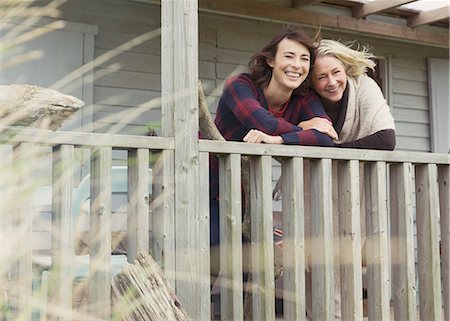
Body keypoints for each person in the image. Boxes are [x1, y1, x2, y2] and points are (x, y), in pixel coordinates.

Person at [208, 28, 338, 288]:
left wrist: (279, 139)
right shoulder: (241, 86)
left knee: (243, 272)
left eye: (304, 59)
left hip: (246, 197)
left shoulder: (304, 99)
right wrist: (304, 129)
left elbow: (326, 138)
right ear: (270, 60)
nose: (296, 65)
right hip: (205, 186)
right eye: (289, 56)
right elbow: (261, 121)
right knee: (207, 264)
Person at [305, 39, 396, 150]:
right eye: (322, 77)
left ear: (345, 69)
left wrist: (332, 152)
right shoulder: (304, 99)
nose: (332, 82)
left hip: (359, 167)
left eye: (336, 72)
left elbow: (386, 140)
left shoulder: (364, 86)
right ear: (311, 82)